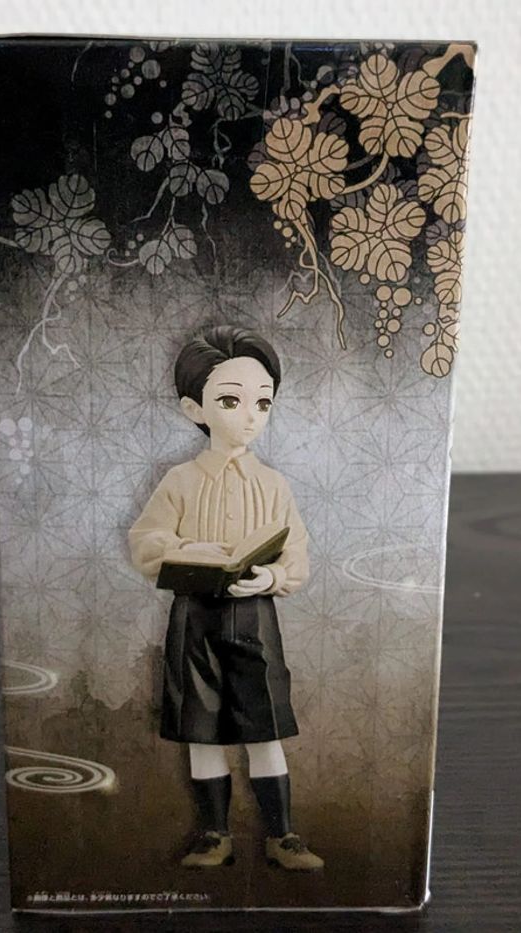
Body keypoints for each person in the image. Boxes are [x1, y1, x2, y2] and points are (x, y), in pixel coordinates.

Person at [128, 325, 323, 871]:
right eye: (231, 401)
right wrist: (189, 549)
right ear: (195, 408)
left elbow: (297, 555)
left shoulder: (275, 485)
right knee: (203, 728)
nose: (250, 416)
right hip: (195, 617)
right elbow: (146, 541)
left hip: (255, 617)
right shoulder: (179, 481)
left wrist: (273, 577)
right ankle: (214, 834)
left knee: (264, 727)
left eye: (263, 403)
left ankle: (282, 835)